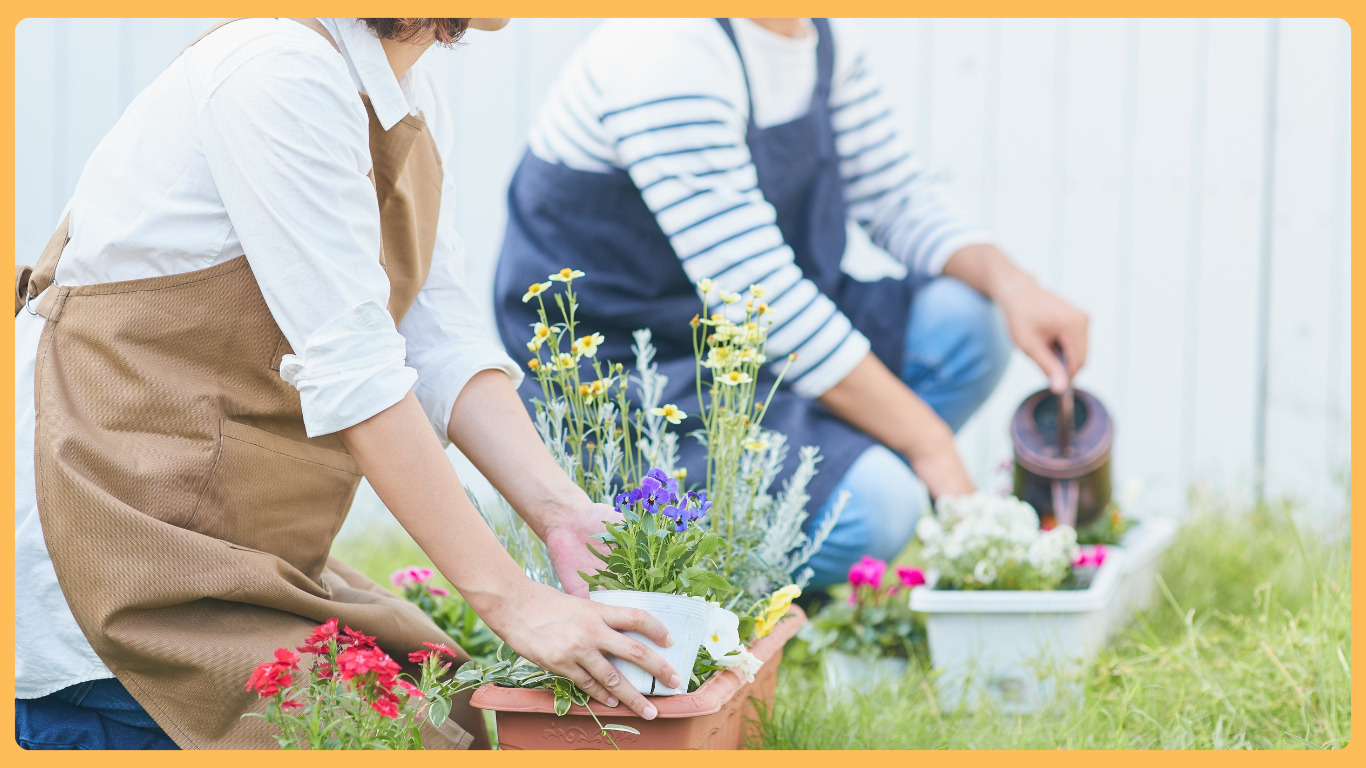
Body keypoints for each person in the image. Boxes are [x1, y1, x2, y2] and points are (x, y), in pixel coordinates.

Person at [14, 17, 680, 750]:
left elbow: (435, 334)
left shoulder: (401, 91)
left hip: (222, 533)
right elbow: (357, 369)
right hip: (108, 543)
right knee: (402, 741)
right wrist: (515, 602)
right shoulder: (275, 71)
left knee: (448, 708)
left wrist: (562, 514)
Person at [494, 18, 1090, 588]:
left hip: (750, 344)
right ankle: (737, 585)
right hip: (637, 376)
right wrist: (929, 445)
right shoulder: (667, 50)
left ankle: (824, 503)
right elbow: (758, 294)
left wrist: (1016, 287)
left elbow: (896, 196)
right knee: (878, 505)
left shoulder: (817, 36)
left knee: (966, 324)